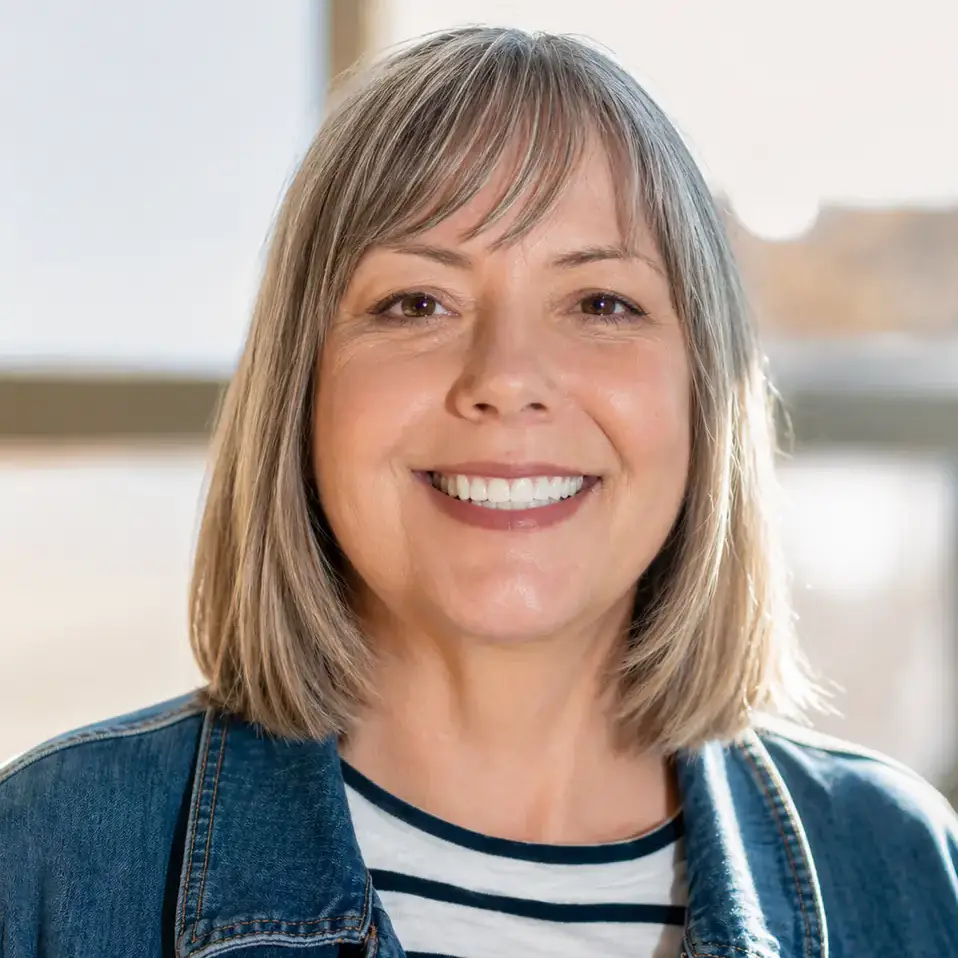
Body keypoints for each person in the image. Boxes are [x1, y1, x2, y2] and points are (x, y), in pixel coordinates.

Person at [1, 25, 956, 958]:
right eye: (417, 302)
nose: (505, 375)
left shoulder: (902, 872)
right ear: (303, 384)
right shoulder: (48, 858)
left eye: (600, 303)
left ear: (705, 395)